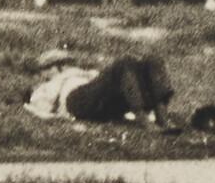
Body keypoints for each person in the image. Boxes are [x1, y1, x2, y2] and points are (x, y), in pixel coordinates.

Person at [22, 48, 200, 130]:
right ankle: (143, 119)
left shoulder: (84, 73)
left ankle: (162, 116)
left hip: (101, 101)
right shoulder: (48, 85)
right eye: (45, 70)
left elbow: (112, 83)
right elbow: (40, 107)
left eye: (45, 69)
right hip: (76, 100)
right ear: (58, 67)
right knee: (124, 62)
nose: (43, 74)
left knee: (153, 60)